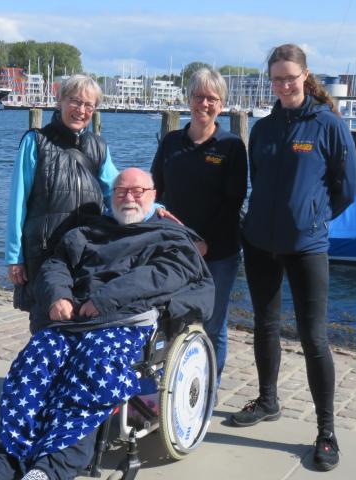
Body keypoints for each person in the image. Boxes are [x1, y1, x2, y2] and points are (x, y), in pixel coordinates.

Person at [0, 168, 214, 480]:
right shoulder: (87, 232)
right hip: (74, 320)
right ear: (111, 197)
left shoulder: (169, 236)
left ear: (153, 197)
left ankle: (54, 466)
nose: (129, 197)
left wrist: (106, 298)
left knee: (91, 367)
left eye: (138, 191)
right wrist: (58, 296)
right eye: (121, 191)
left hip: (126, 322)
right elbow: (56, 264)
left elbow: (166, 273)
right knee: (33, 363)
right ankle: (3, 459)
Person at [229, 44, 356, 473]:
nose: (284, 84)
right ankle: (268, 400)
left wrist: (314, 219)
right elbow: (259, 179)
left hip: (307, 247)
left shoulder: (328, 125)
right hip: (259, 243)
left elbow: (346, 189)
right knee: (264, 325)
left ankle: (326, 431)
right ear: (271, 81)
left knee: (313, 338)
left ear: (305, 76)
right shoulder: (264, 129)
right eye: (277, 78)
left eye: (291, 77)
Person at [150, 67, 247, 382]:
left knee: (212, 323)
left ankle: (207, 387)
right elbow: (155, 191)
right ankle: (170, 385)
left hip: (218, 252)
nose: (204, 103)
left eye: (212, 98)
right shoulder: (171, 142)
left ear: (221, 104)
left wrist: (206, 243)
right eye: (199, 96)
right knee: (171, 318)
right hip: (174, 249)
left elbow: (233, 202)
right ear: (188, 99)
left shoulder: (231, 147)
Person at [4, 74, 118, 333]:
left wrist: (155, 211)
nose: (81, 110)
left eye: (89, 105)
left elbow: (118, 193)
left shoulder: (99, 148)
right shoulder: (36, 142)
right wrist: (14, 257)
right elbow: (17, 202)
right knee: (47, 325)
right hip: (45, 252)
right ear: (60, 102)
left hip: (85, 253)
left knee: (84, 324)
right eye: (75, 101)